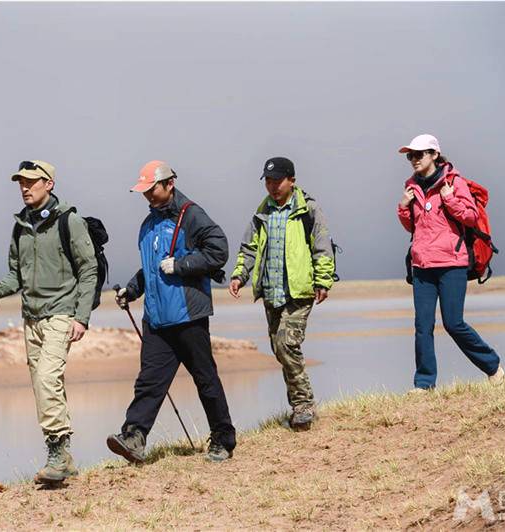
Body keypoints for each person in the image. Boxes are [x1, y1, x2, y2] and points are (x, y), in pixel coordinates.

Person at [0, 160, 98, 484]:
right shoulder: (20, 227)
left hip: (61, 313)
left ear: (49, 184)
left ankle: (57, 454)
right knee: (44, 386)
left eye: (32, 181)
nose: (25, 187)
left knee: (46, 380)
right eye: (21, 182)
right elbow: (16, 275)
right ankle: (65, 457)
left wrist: (81, 317)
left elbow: (88, 270)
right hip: (30, 318)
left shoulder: (69, 222)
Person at [107, 160, 237, 463]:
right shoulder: (148, 225)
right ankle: (133, 437)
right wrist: (132, 289)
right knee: (149, 382)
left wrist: (182, 265)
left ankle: (223, 439)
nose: (148, 195)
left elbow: (218, 250)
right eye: (144, 191)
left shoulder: (191, 215)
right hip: (155, 318)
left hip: (188, 315)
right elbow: (151, 269)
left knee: (206, 379)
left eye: (152, 189)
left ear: (169, 184)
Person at [228, 156, 335, 431]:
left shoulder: (308, 208)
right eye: (268, 181)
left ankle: (303, 406)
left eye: (278, 181)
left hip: (299, 291)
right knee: (279, 348)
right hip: (271, 291)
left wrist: (323, 280)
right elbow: (249, 247)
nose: (273, 186)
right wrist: (240, 274)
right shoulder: (262, 211)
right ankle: (301, 404)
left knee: (287, 344)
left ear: (292, 181)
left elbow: (322, 245)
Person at [396, 134, 504, 392]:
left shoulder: (454, 182)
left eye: (418, 154)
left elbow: (470, 216)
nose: (413, 160)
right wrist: (402, 207)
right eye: (410, 155)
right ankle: (424, 384)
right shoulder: (411, 187)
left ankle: (492, 367)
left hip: (452, 262)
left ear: (434, 155)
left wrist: (450, 198)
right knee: (422, 326)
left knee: (453, 323)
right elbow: (413, 226)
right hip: (422, 265)